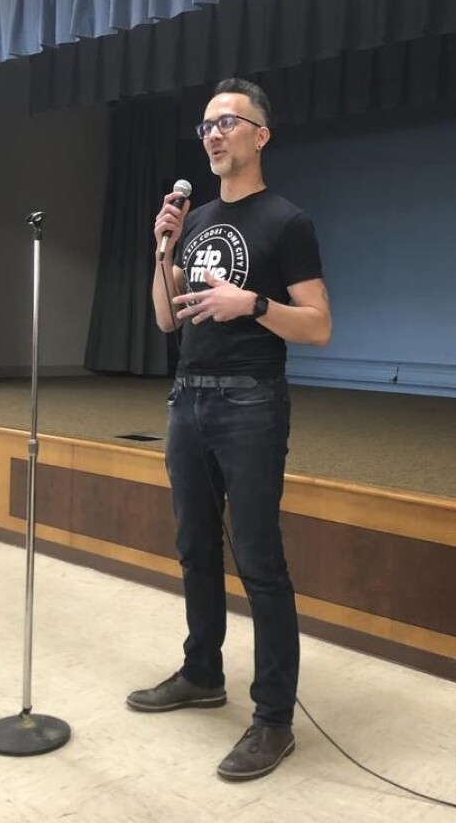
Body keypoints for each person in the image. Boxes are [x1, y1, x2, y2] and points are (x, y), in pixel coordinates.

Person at [127, 78, 332, 781]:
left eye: (227, 123)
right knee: (193, 547)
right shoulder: (197, 219)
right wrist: (163, 250)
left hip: (251, 403)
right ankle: (201, 672)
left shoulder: (287, 222)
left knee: (258, 560)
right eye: (206, 125)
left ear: (260, 136)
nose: (213, 134)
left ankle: (273, 719)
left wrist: (254, 304)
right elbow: (166, 318)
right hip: (187, 400)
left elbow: (319, 325)